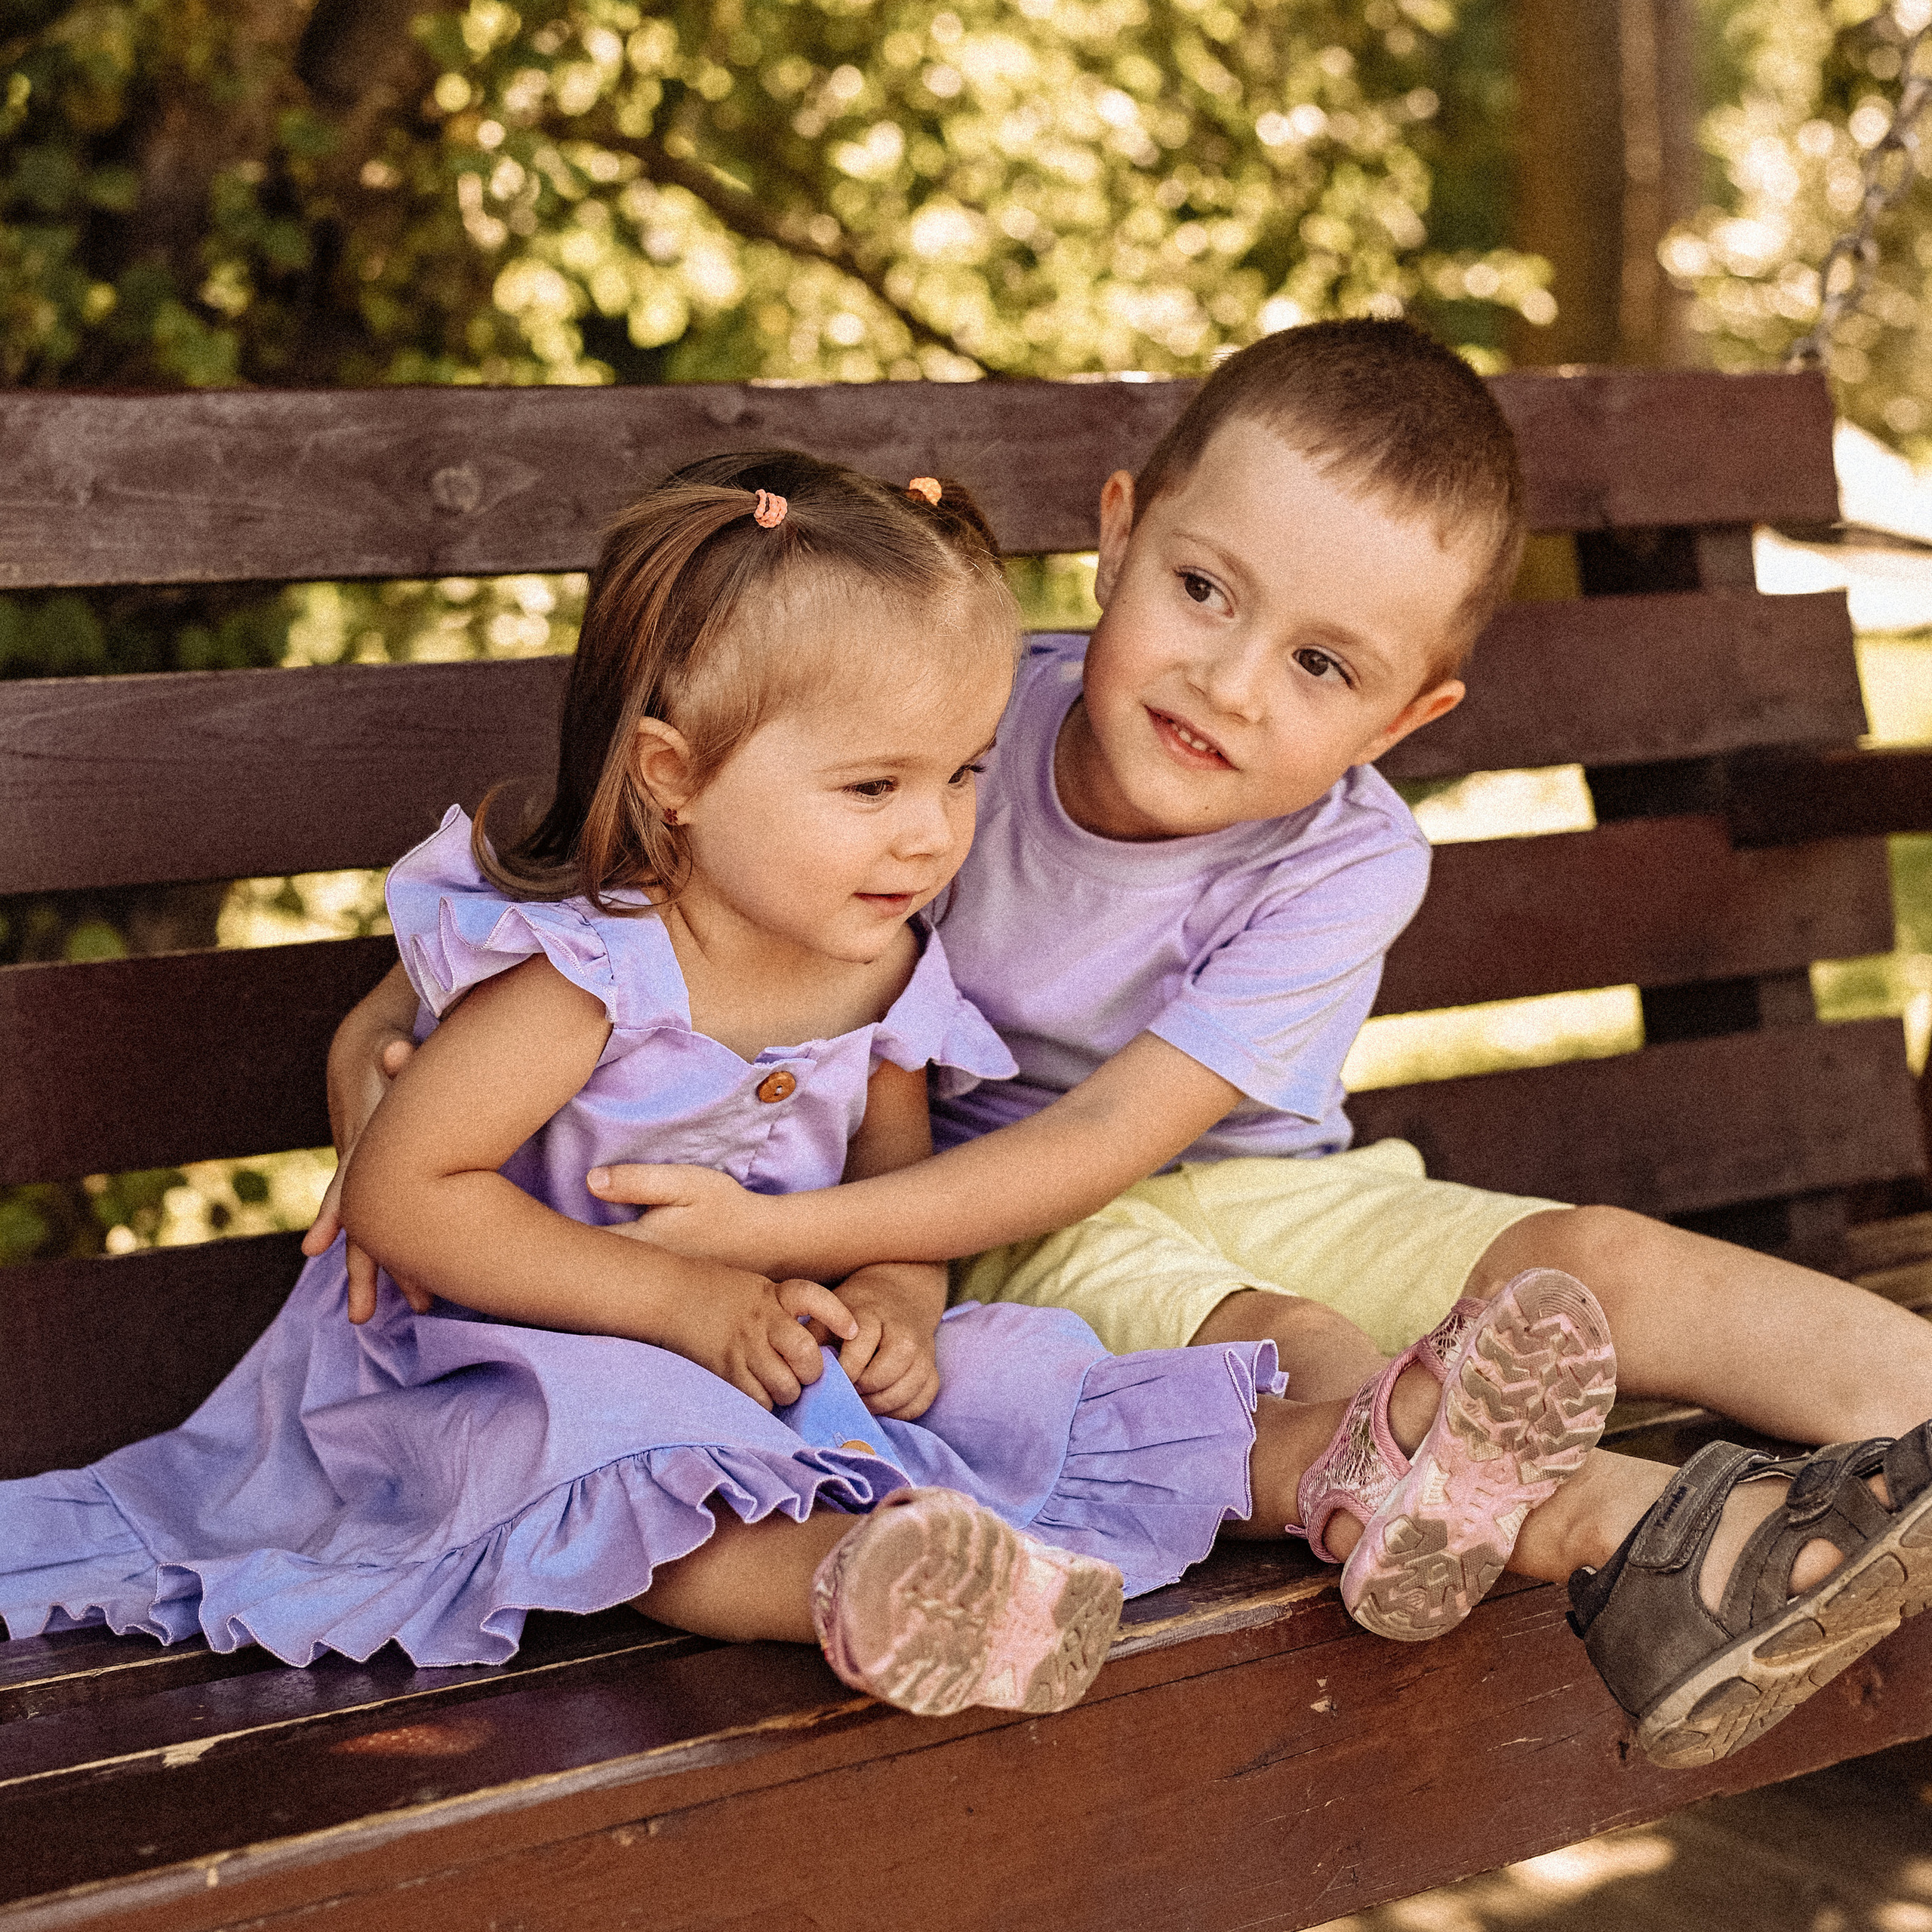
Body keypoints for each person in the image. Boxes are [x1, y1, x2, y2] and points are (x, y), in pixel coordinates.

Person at [318, 325, 1932, 1770]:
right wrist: (379, 1038)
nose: (1226, 681)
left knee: (1588, 1271)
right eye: (1203, 590)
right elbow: (605, 877)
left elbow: (1125, 1129)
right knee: (1261, 1329)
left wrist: (772, 1236)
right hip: (993, 1225)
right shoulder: (946, 727)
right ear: (1113, 538)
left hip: (1244, 1172)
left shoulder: (1349, 852)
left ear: (1401, 721)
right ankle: (1661, 1551)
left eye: (1318, 663)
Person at [0, 449, 1617, 1721]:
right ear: (676, 779)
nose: (930, 833)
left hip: (782, 1364)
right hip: (513, 1368)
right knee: (646, 1467)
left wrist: (903, 1298)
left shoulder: (882, 964)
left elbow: (892, 1176)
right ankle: (878, 1585)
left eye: (963, 774)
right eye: (872, 785)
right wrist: (678, 1309)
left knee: (1016, 1368)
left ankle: (1351, 1462)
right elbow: (419, 1201)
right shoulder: (589, 978)